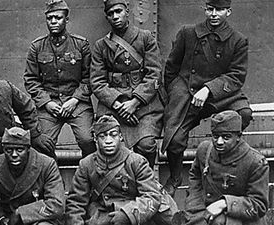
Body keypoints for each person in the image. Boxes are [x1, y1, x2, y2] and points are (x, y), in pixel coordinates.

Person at [162, 0, 253, 196]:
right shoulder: (188, 33)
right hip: (188, 89)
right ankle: (175, 176)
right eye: (210, 9)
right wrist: (175, 94)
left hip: (220, 93)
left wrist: (209, 89)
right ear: (205, 9)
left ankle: (223, 162)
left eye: (219, 10)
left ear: (228, 12)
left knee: (243, 114)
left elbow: (236, 76)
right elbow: (171, 67)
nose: (214, 14)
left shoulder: (238, 40)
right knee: (175, 139)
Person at [90, 0, 164, 167]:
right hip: (114, 105)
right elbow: (97, 81)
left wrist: (135, 102)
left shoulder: (145, 38)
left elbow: (155, 74)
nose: (115, 16)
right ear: (107, 17)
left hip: (144, 105)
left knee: (146, 145)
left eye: (118, 11)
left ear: (127, 11)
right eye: (111, 14)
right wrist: (119, 105)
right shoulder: (101, 46)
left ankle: (147, 180)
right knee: (110, 146)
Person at [65, 115, 177, 225]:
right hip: (103, 214)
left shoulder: (136, 161)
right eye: (102, 136)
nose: (108, 140)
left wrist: (128, 215)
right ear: (95, 139)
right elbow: (76, 203)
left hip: (135, 213)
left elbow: (152, 195)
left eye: (113, 135)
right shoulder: (86, 164)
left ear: (120, 137)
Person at [23, 0, 96, 158]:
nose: (53, 21)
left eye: (58, 17)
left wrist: (75, 99)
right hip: (49, 103)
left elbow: (89, 78)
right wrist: (47, 103)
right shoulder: (37, 47)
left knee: (87, 139)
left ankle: (90, 176)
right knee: (41, 143)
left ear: (67, 19)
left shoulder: (81, 45)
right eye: (50, 18)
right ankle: (52, 177)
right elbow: (31, 80)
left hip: (77, 103)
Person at [177, 110, 269, 225]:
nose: (219, 142)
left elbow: (259, 204)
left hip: (243, 218)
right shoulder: (204, 151)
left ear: (238, 136)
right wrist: (194, 206)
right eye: (215, 136)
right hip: (208, 211)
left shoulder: (256, 162)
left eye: (226, 137)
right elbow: (195, 176)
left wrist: (225, 204)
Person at [0, 127, 65, 225]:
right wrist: (0, 219)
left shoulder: (46, 164)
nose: (14, 154)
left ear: (28, 149)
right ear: (3, 149)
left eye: (20, 150)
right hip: (7, 220)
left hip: (37, 219)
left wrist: (20, 214)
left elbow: (56, 205)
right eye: (9, 150)